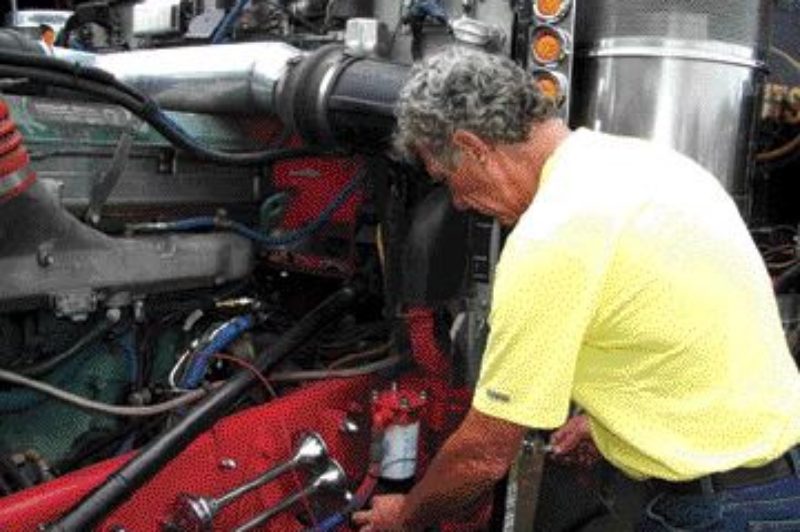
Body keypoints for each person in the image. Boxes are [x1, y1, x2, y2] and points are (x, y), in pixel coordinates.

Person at [352, 46, 800, 531]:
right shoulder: (653, 165)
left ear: (474, 146)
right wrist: (617, 424)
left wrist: (406, 516)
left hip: (719, 512)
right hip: (778, 482)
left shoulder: (551, 237)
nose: (458, 202)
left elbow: (483, 455)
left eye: (448, 178)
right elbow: (691, 323)